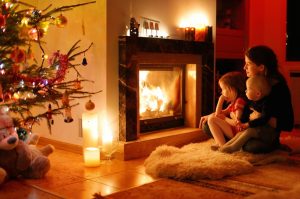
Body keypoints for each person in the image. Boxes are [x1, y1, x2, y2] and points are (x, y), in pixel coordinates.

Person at [241, 45, 294, 153]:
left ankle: (274, 146)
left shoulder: (277, 88)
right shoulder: (252, 82)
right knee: (207, 126)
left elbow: (287, 123)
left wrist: (262, 117)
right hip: (250, 128)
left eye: (248, 64)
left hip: (265, 134)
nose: (244, 67)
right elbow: (246, 107)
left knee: (250, 147)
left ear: (261, 67)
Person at [220, 75, 272, 153]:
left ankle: (233, 148)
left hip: (264, 132)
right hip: (255, 128)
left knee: (249, 132)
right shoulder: (251, 102)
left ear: (257, 93)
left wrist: (247, 125)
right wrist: (241, 124)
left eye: (247, 89)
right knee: (241, 133)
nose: (245, 91)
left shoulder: (266, 104)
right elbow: (244, 116)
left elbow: (263, 119)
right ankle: (225, 146)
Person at [199, 71, 247, 149]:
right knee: (211, 118)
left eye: (223, 89)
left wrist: (224, 118)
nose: (222, 92)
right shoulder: (233, 103)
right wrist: (220, 100)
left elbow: (237, 123)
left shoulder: (239, 102)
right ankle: (220, 144)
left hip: (238, 132)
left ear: (232, 89)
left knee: (212, 119)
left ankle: (222, 146)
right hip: (233, 130)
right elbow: (218, 114)